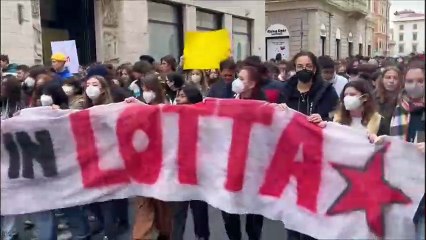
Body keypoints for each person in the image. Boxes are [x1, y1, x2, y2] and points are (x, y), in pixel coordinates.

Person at [374, 61, 425, 240]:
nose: (415, 85)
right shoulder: (400, 107)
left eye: (420, 80)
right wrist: (384, 142)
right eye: (410, 81)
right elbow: (396, 141)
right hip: (405, 183)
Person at [220, 64, 266, 240]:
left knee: (253, 214)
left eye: (241, 78)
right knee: (229, 209)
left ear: (252, 84)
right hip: (231, 163)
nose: (236, 81)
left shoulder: (263, 105)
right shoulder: (230, 99)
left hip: (254, 166)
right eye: (237, 77)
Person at [171, 84, 209, 240]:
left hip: (199, 173)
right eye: (178, 96)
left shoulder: (205, 119)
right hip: (178, 172)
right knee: (177, 213)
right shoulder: (171, 117)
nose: (178, 99)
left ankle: (202, 236)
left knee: (199, 211)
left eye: (182, 96)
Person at [279, 51, 339, 125]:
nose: (304, 69)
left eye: (308, 66)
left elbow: (336, 116)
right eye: (300, 66)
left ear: (314, 69)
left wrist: (324, 119)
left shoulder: (327, 91)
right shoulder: (285, 90)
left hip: (317, 134)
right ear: (295, 68)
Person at [375, 66, 403, 131]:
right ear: (382, 79)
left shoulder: (405, 99)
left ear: (400, 81)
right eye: (388, 77)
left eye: (395, 78)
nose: (391, 81)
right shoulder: (373, 97)